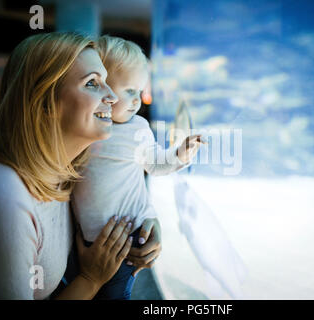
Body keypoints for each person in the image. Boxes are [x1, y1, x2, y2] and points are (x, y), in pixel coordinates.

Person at [0, 32, 139, 300]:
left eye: (107, 82)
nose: (113, 96)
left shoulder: (64, 177)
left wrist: (147, 229)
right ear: (44, 101)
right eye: (92, 83)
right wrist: (91, 279)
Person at [70, 36, 205, 300]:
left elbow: (156, 164)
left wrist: (181, 153)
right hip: (87, 241)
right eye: (130, 91)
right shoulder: (83, 129)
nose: (138, 100)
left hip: (127, 239)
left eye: (140, 92)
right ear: (103, 87)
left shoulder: (137, 129)